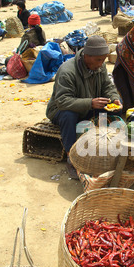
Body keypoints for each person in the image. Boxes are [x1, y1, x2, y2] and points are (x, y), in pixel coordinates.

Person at [46, 35, 122, 178]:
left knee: (113, 105)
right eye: (98, 60)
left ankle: (108, 148)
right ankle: (71, 157)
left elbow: (107, 86)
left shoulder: (100, 65)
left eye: (103, 59)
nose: (101, 63)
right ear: (86, 56)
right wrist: (90, 103)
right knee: (69, 115)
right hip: (61, 110)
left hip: (88, 105)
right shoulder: (67, 71)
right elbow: (62, 101)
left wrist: (114, 98)